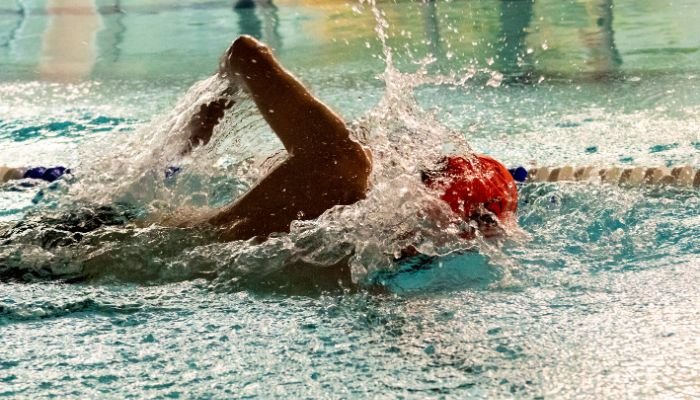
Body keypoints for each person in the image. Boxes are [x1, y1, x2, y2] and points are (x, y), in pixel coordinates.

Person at [1, 35, 517, 242]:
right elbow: (247, 52)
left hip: (108, 250)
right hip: (83, 251)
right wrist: (203, 117)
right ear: (451, 217)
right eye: (481, 227)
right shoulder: (343, 167)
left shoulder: (362, 233)